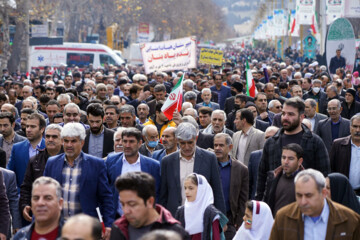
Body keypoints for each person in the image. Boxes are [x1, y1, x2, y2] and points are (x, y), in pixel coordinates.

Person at [43, 123, 114, 238]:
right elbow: (44, 194)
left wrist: (108, 224)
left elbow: (106, 197)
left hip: (86, 227)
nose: (69, 145)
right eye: (66, 141)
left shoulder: (96, 164)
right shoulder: (52, 163)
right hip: (58, 227)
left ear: (82, 142)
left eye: (73, 141)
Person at [256, 97, 330, 201]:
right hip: (276, 203)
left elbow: (324, 175)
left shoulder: (314, 142)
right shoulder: (271, 142)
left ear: (301, 117)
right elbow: (262, 176)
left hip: (306, 203)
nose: (285, 117)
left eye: (291, 114)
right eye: (283, 113)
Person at [270, 169, 360, 240]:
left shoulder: (349, 220)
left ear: (324, 193)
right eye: (299, 195)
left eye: (309, 195)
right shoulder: (283, 217)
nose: (303, 202)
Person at [160, 122, 226, 216]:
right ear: (177, 140)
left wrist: (221, 219)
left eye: (190, 142)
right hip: (175, 217)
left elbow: (217, 190)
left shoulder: (209, 158)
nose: (187, 147)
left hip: (201, 216)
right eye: (183, 143)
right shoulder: (167, 161)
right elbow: (163, 194)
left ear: (196, 138)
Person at [109, 172, 189, 240]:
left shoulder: (176, 232)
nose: (126, 211)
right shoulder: (118, 228)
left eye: (132, 204)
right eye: (122, 204)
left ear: (150, 202)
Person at [106, 127, 160, 219]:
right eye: (125, 141)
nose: (127, 145)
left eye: (131, 142)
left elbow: (156, 193)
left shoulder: (152, 165)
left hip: (143, 218)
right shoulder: (111, 161)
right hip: (116, 217)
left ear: (139, 143)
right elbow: (106, 190)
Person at [20, 124, 63, 222]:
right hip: (41, 212)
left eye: (54, 137)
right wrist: (25, 205)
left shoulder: (68, 159)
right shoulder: (35, 160)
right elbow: (26, 187)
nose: (50, 139)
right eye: (47, 136)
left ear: (62, 140)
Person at [214, 133, 248, 239]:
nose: (217, 148)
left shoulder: (241, 169)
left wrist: (238, 221)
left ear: (230, 147)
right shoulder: (210, 165)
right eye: (215, 145)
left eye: (221, 145)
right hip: (211, 217)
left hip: (230, 220)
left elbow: (243, 199)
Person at [175, 173, 228, 240]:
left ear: (201, 189)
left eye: (191, 188)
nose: (186, 192)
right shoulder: (181, 212)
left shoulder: (211, 214)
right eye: (185, 188)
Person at [7, 113, 46, 189]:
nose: (28, 130)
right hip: (21, 196)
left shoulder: (49, 148)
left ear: (42, 129)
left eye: (32, 127)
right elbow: (10, 174)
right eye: (27, 126)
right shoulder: (17, 148)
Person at [263, 143, 304, 215]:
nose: (286, 162)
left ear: (300, 161)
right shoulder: (273, 177)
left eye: (290, 158)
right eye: (283, 158)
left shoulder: (306, 182)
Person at [330, 114, 360, 193]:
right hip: (342, 191)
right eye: (355, 126)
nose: (357, 130)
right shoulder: (338, 144)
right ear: (350, 128)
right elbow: (331, 168)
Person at [248, 126, 279, 200]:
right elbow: (249, 183)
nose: (269, 140)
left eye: (272, 137)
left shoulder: (284, 157)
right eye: (266, 137)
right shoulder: (254, 156)